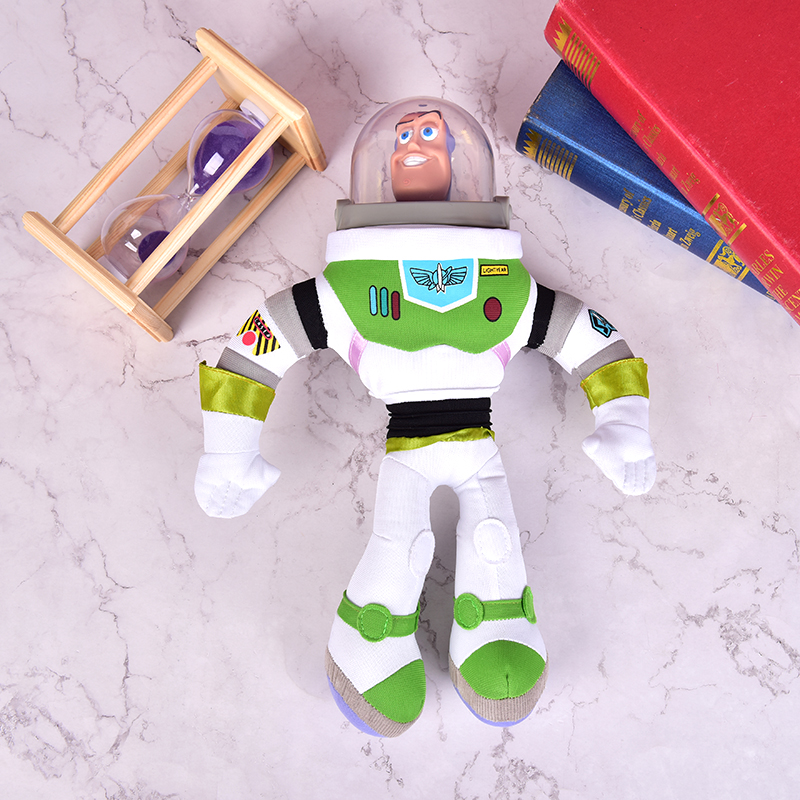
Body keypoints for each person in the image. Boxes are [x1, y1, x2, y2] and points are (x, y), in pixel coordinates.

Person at [194, 97, 656, 737]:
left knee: (491, 539)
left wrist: (624, 421)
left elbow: (586, 335)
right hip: (412, 446)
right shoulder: (348, 287)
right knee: (403, 549)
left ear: (457, 158)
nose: (414, 144)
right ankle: (371, 638)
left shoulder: (503, 282)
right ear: (380, 169)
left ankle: (496, 625)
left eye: (430, 133)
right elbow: (260, 341)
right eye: (405, 135)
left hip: (464, 443)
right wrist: (228, 448)